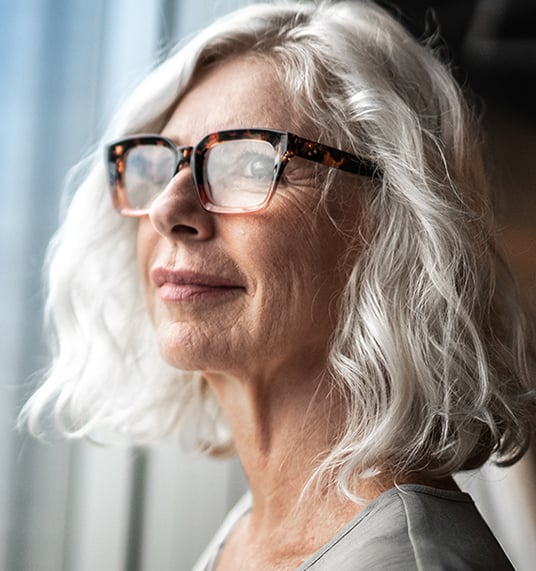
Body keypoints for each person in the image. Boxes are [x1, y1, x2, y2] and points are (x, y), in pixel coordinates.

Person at [22, 1, 536, 569]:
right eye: (163, 165)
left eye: (248, 165)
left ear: (391, 222)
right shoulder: (262, 527)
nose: (169, 209)